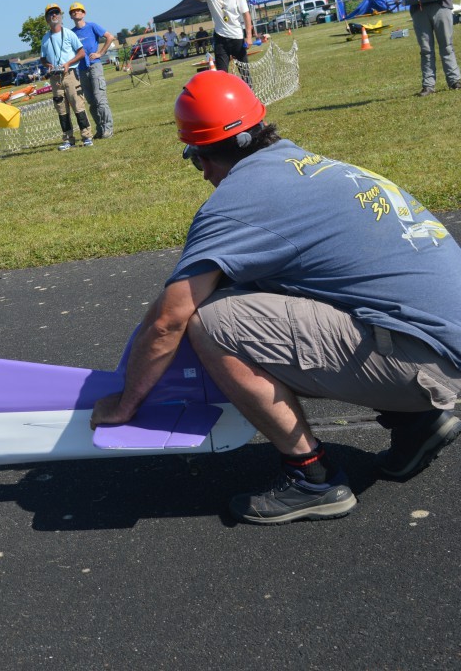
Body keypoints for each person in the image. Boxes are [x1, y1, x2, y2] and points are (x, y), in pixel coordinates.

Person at [91, 70, 461, 525]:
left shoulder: (238, 201)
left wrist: (125, 403)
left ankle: (312, 478)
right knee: (266, 284)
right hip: (439, 342)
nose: (202, 173)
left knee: (212, 321)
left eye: (194, 159)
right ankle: (416, 423)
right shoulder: (307, 163)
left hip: (427, 363)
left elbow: (170, 318)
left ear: (204, 155)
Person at [40, 3, 93, 151]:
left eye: (56, 12)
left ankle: (87, 137)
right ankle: (68, 140)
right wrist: (47, 65)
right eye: (50, 13)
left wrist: (68, 63)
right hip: (55, 78)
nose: (54, 15)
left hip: (70, 75)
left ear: (61, 16)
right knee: (61, 110)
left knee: (78, 105)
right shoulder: (45, 38)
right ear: (47, 19)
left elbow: (81, 53)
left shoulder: (69, 34)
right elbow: (42, 58)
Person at [396, 0, 461, 96]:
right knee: (426, 50)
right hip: (418, 8)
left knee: (447, 46)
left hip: (441, 4)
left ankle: (454, 81)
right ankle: (428, 86)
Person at [69, 2, 115, 139]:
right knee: (91, 102)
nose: (76, 12)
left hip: (95, 66)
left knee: (100, 99)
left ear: (84, 13)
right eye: (73, 11)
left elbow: (110, 37)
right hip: (82, 70)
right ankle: (100, 129)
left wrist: (100, 53)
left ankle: (108, 128)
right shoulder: (71, 33)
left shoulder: (92, 26)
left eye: (78, 10)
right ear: (71, 16)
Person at [187, 0, 253, 73]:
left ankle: (247, 82)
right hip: (220, 39)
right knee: (221, 73)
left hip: (237, 37)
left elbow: (246, 14)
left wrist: (249, 37)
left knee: (245, 73)